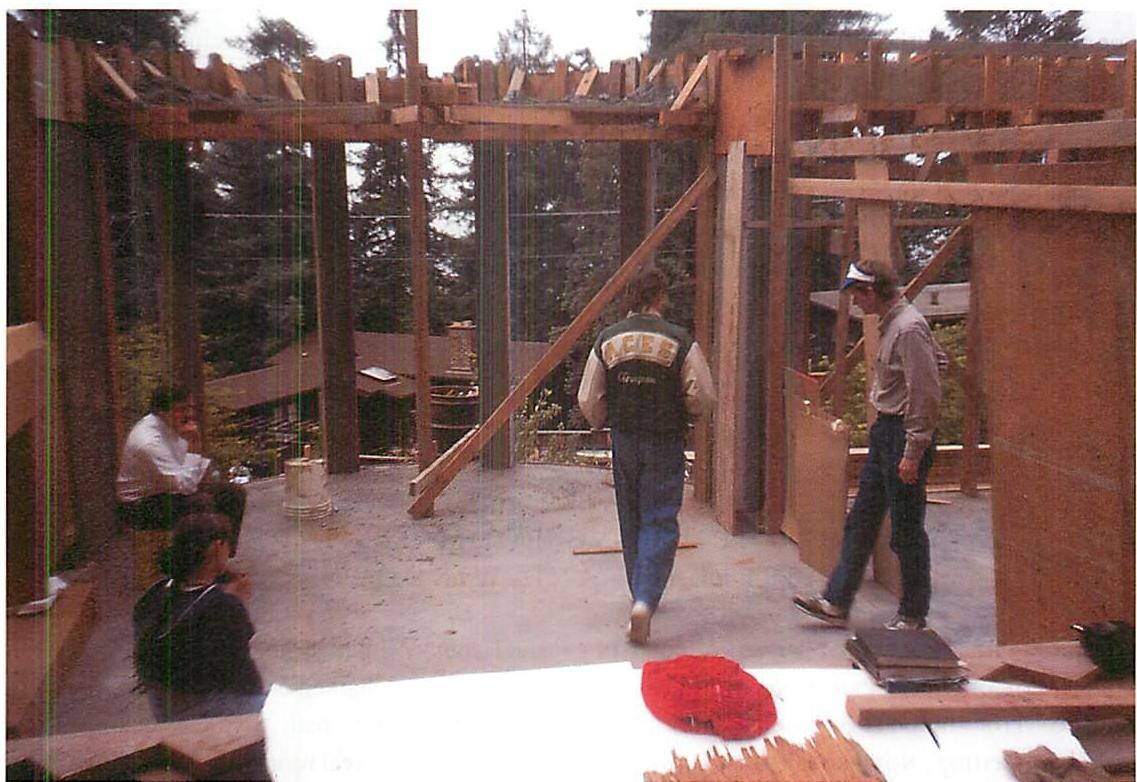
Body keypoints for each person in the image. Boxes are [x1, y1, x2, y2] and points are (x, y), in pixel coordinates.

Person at [793, 259, 942, 631]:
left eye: (857, 295)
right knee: (861, 520)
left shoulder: (909, 329)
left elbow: (925, 393)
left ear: (871, 291)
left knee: (906, 531)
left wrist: (913, 451)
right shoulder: (894, 325)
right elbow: (932, 365)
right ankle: (836, 602)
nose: (856, 303)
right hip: (885, 433)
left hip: (902, 435)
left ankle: (913, 614)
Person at [578, 264, 716, 645]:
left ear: (630, 298)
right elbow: (702, 395)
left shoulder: (608, 339)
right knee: (660, 516)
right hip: (665, 438)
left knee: (631, 514)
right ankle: (645, 597)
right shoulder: (680, 340)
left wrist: (602, 420)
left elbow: (589, 398)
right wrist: (691, 416)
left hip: (624, 438)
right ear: (660, 297)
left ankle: (637, 587)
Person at [133, 513, 265, 722]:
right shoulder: (221, 606)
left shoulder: (156, 592)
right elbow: (241, 672)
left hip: (164, 707)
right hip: (203, 709)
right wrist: (236, 602)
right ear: (217, 547)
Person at [116, 385, 246, 552]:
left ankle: (222, 555)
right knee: (200, 503)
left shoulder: (171, 426)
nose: (189, 414)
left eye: (190, 408)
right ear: (161, 412)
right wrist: (194, 444)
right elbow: (186, 486)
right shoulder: (149, 441)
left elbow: (189, 473)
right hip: (139, 506)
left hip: (165, 491)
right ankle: (196, 563)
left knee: (232, 493)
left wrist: (208, 474)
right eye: (182, 409)